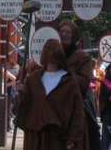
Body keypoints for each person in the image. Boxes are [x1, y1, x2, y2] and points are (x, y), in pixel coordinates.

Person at [16, 38, 85, 150]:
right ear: (43, 54)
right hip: (34, 138)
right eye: (48, 52)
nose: (51, 56)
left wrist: (72, 138)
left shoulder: (69, 81)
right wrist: (20, 95)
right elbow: (21, 108)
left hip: (57, 138)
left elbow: (77, 112)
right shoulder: (33, 79)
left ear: (60, 55)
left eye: (54, 53)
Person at [58, 19, 102, 150]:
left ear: (74, 35)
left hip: (77, 107)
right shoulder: (54, 54)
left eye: (68, 32)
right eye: (62, 31)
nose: (65, 34)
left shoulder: (82, 57)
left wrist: (63, 74)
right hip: (56, 107)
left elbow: (83, 83)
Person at [99, 63, 111, 150]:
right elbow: (101, 96)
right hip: (108, 110)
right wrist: (108, 98)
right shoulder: (105, 82)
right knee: (107, 135)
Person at [7, 62, 19, 131]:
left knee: (8, 110)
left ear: (9, 64)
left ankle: (9, 126)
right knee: (14, 110)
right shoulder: (17, 72)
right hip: (16, 92)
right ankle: (14, 124)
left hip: (9, 92)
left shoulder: (8, 72)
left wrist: (5, 85)